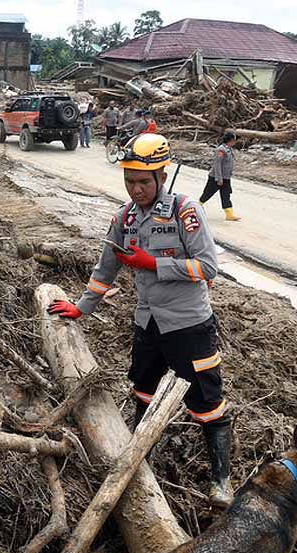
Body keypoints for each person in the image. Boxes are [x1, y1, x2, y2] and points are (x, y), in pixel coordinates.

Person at [46, 134, 235, 507]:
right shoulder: (124, 218)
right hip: (148, 324)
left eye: (144, 181)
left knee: (207, 403)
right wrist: (81, 308)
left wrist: (155, 264)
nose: (136, 189)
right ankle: (141, 460)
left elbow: (209, 266)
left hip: (189, 326)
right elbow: (105, 270)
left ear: (162, 176)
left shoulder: (185, 212)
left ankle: (221, 481)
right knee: (143, 391)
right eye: (130, 180)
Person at [200, 131, 240, 221]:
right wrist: (219, 178)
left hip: (226, 177)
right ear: (230, 140)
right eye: (234, 140)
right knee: (208, 193)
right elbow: (217, 164)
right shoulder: (221, 150)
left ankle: (229, 214)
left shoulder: (229, 149)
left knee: (226, 195)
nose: (235, 142)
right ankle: (198, 205)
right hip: (216, 177)